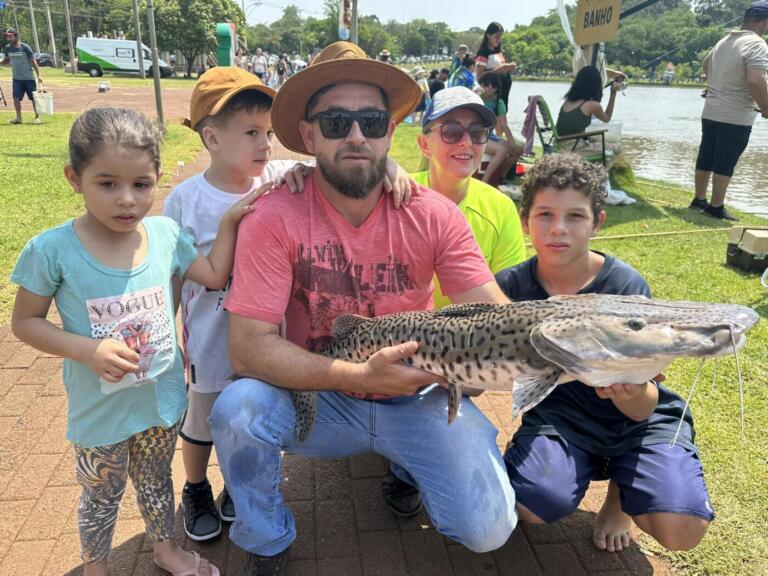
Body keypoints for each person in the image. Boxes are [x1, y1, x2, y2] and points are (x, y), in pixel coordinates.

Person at [209, 41, 517, 576]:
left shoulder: (435, 215)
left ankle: (408, 466)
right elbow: (248, 346)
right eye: (335, 122)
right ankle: (266, 540)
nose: (356, 136)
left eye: (372, 121)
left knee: (487, 528)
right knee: (237, 411)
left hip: (418, 398)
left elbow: (496, 316)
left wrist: (570, 348)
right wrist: (354, 373)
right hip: (321, 394)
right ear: (308, 135)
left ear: (389, 133)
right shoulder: (274, 215)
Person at [10, 107, 262, 576]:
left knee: (156, 481)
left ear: (157, 179)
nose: (126, 200)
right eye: (107, 184)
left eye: (141, 185)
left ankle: (166, 550)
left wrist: (227, 224)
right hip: (99, 411)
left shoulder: (166, 235)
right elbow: (25, 322)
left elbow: (211, 275)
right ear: (74, 178)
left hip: (161, 402)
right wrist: (87, 349)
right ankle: (97, 567)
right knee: (100, 494)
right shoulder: (52, 250)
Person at [165, 66, 410, 542]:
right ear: (212, 138)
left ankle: (241, 485)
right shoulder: (185, 201)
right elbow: (174, 272)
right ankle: (195, 486)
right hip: (211, 335)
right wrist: (170, 334)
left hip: (267, 334)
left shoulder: (281, 175)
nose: (265, 145)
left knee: (252, 414)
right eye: (252, 133)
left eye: (269, 133)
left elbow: (343, 165)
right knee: (201, 418)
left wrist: (392, 167)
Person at [497, 152, 713, 554]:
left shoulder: (626, 287)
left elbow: (643, 407)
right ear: (525, 220)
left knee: (681, 530)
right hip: (562, 416)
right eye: (544, 214)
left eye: (575, 216)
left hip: (636, 421)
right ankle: (545, 461)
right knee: (532, 502)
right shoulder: (507, 289)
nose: (558, 228)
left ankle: (620, 495)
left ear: (598, 221)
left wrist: (631, 392)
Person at [691, 0, 768, 221]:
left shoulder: (725, 40)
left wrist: (715, 85)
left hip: (712, 110)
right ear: (764, 21)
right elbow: (756, 80)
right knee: (726, 159)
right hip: (735, 114)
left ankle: (699, 199)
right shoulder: (757, 44)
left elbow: (706, 65)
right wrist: (765, 106)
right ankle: (716, 206)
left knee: (707, 154)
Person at [556, 66, 621, 158]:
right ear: (596, 85)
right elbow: (607, 118)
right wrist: (613, 93)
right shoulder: (591, 105)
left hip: (560, 144)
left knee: (601, 140)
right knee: (617, 147)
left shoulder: (568, 101)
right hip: (573, 147)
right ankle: (606, 170)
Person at [478, 72, 523, 181]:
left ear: (495, 88)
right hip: (477, 136)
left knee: (518, 150)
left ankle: (501, 175)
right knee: (501, 151)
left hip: (490, 136)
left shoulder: (499, 103)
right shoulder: (476, 99)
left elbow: (503, 124)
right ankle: (485, 181)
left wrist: (512, 142)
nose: (482, 88)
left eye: (485, 86)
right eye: (481, 85)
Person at [2, 28, 42, 124]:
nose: (9, 39)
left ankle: (37, 117)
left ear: (16, 36)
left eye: (11, 36)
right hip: (16, 78)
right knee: (16, 98)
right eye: (7, 36)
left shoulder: (25, 47)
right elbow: (7, 60)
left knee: (33, 98)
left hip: (28, 78)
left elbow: (33, 62)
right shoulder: (8, 48)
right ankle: (18, 118)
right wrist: (1, 62)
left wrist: (39, 75)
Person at [475, 22, 516, 109]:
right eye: (496, 36)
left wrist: (508, 67)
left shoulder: (498, 51)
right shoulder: (484, 53)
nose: (499, 39)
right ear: (488, 35)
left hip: (503, 93)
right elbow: (479, 77)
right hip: (491, 96)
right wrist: (500, 69)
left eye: (500, 37)